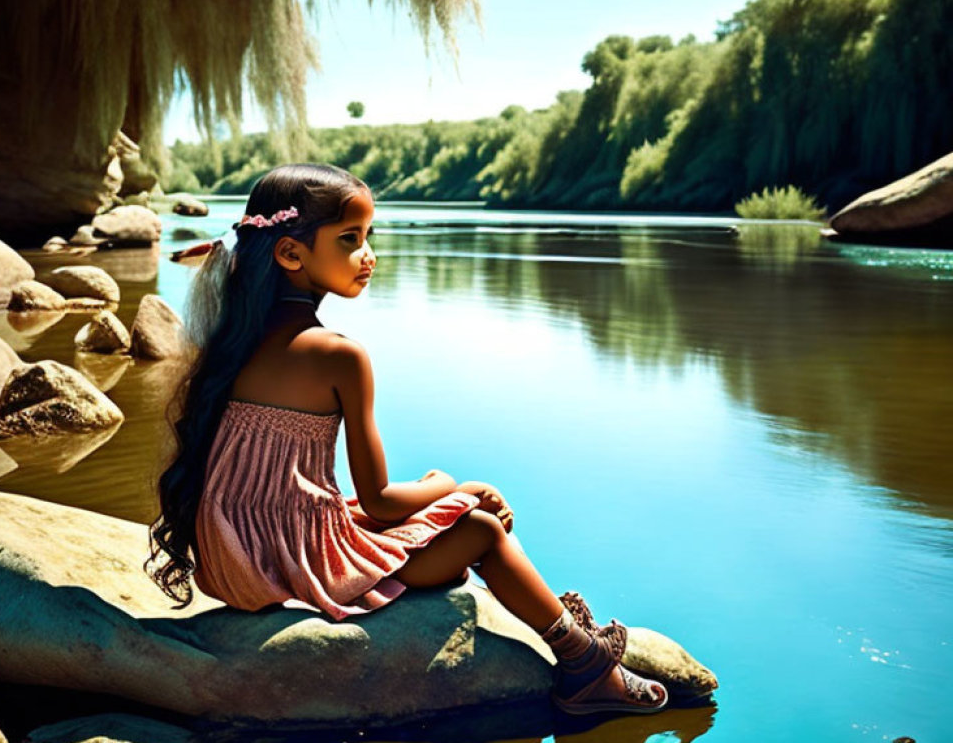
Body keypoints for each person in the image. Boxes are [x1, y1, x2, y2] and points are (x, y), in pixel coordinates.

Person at [144, 163, 668, 715]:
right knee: (482, 529)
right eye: (350, 239)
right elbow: (379, 501)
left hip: (234, 559)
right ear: (291, 254)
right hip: (293, 562)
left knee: (422, 520)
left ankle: (572, 646)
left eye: (369, 237)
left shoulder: (227, 340)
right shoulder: (339, 355)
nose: (368, 254)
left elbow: (284, 490)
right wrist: (450, 486)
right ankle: (584, 664)